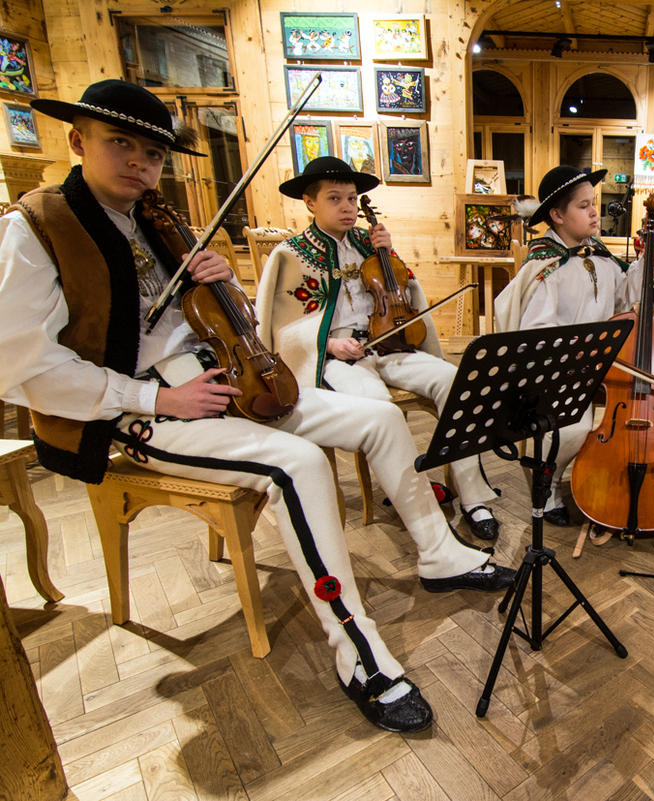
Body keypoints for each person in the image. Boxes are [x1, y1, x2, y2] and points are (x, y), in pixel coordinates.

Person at [0, 80, 515, 734]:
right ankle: (356, 649)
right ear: (77, 141)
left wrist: (222, 289)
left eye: (153, 153)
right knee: (296, 463)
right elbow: (21, 369)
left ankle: (439, 551)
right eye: (120, 143)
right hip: (142, 410)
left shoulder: (155, 221)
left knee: (383, 418)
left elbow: (227, 321)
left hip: (231, 379)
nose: (140, 163)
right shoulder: (35, 228)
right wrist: (155, 396)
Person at [255, 157, 502, 541]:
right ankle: (417, 499)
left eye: (353, 199)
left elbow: (405, 292)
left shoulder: (368, 245)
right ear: (310, 202)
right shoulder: (290, 254)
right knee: (380, 410)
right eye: (335, 198)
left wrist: (392, 256)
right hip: (336, 358)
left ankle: (473, 496)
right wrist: (331, 344)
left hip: (386, 342)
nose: (348, 207)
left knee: (455, 382)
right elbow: (280, 327)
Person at [494, 165, 654, 540]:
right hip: (564, 373)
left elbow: (630, 299)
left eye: (594, 204)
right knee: (572, 428)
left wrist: (647, 261)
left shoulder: (601, 256)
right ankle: (551, 486)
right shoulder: (545, 267)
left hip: (611, 369)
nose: (594, 212)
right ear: (557, 216)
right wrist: (578, 356)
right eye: (583, 206)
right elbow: (536, 334)